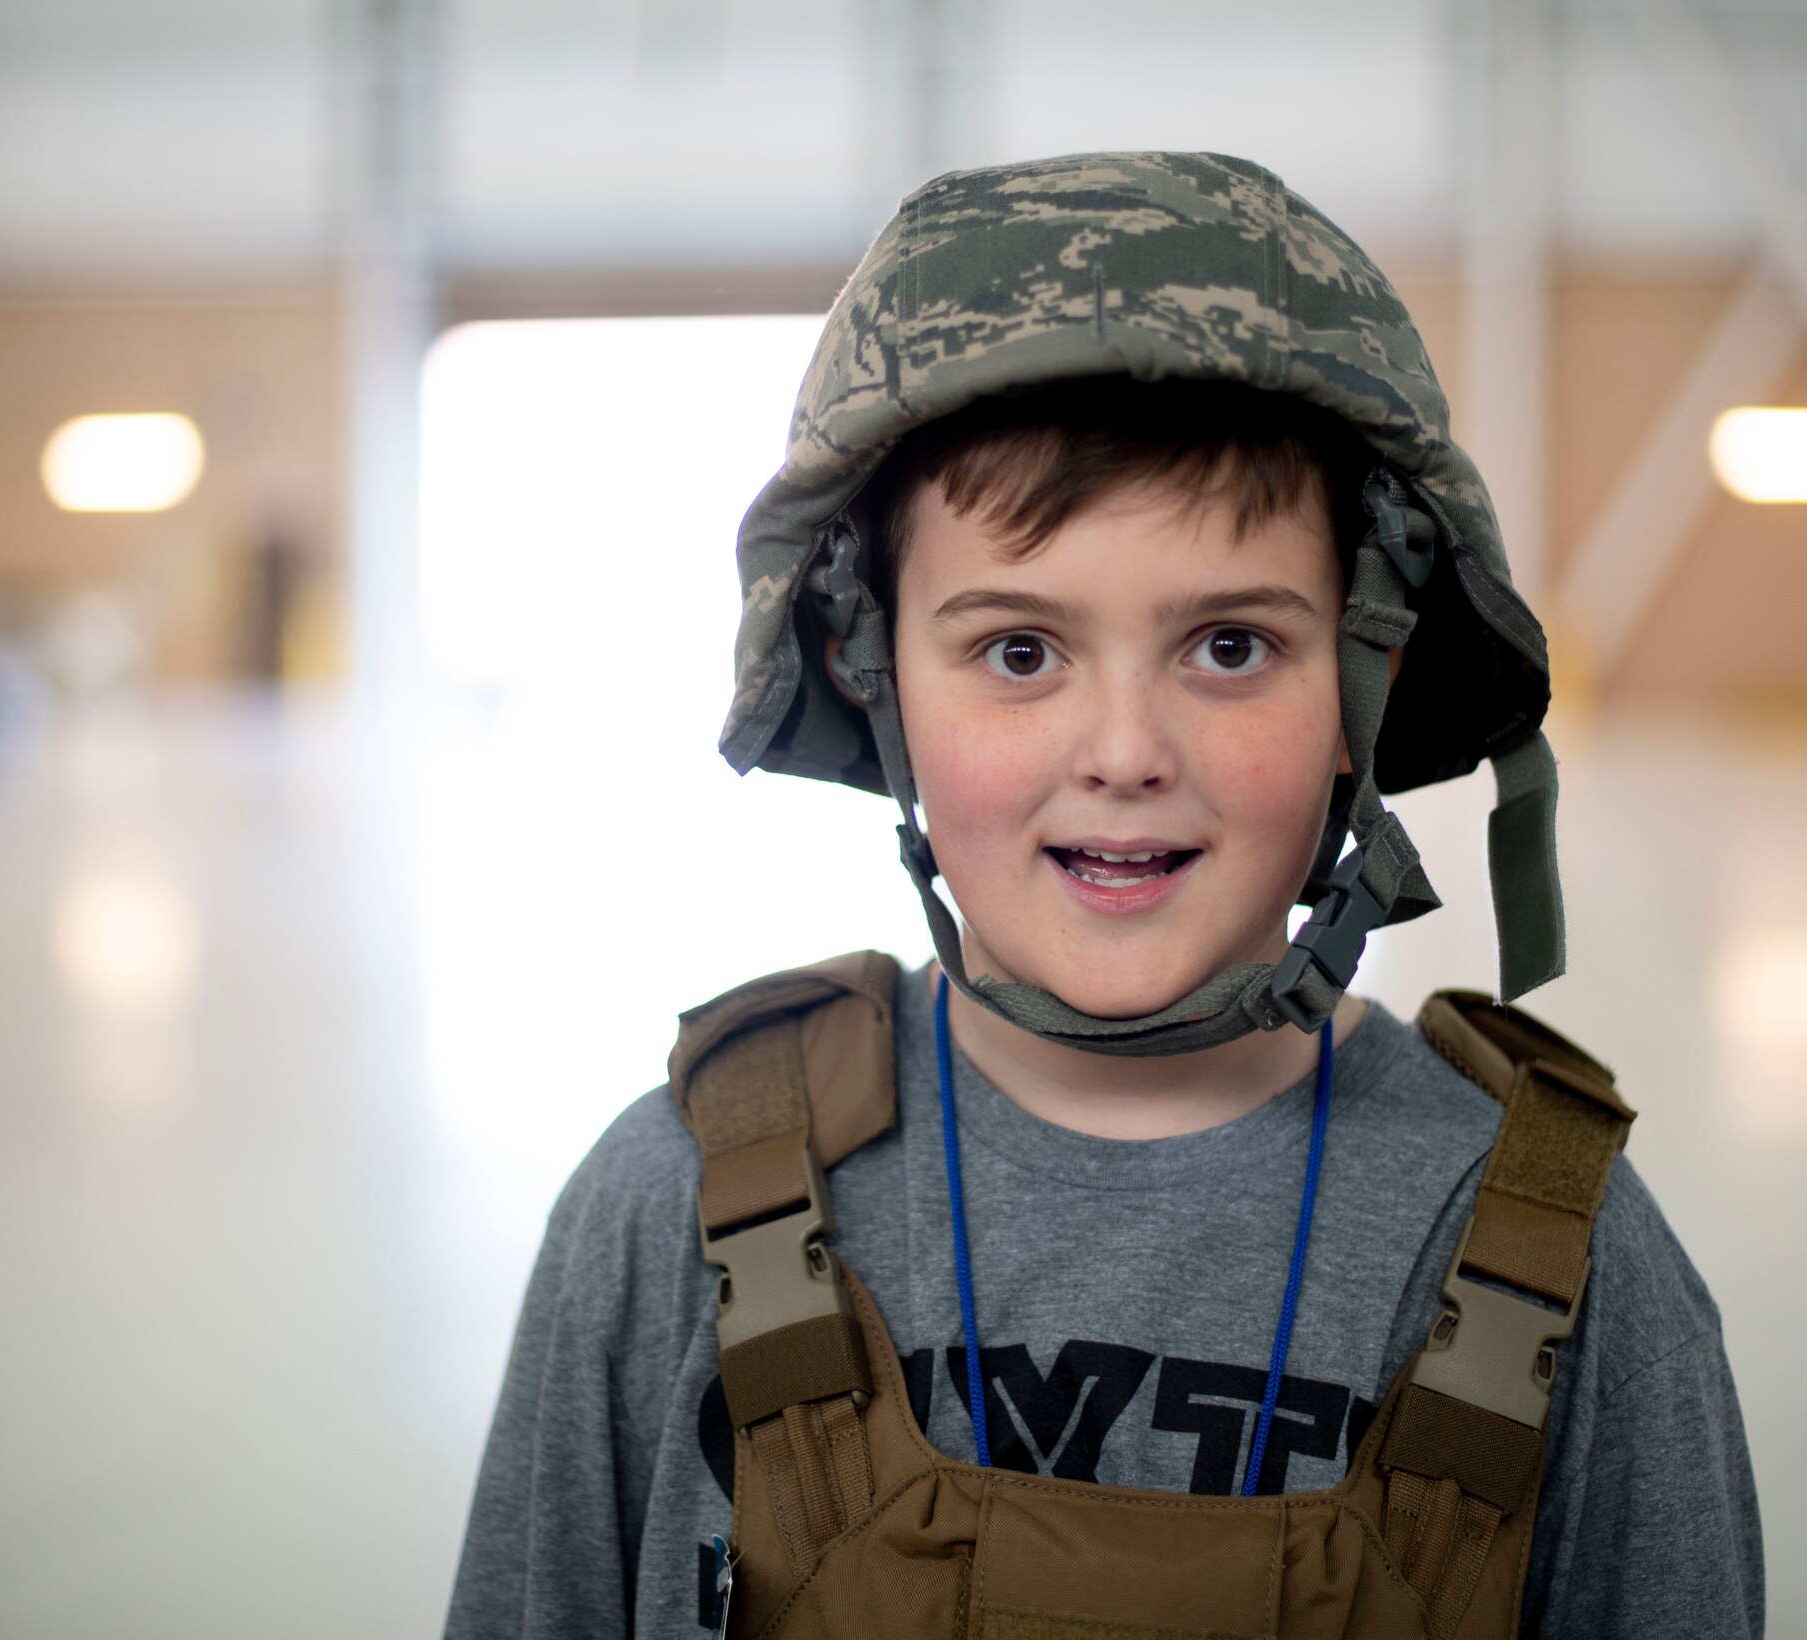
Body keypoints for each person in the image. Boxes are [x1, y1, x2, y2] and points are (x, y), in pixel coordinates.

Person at [445, 152, 1762, 1639]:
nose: (1126, 754)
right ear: (871, 681)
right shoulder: (667, 1210)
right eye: (1019, 652)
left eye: (1229, 648)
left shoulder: (1563, 1264)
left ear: (1365, 683)